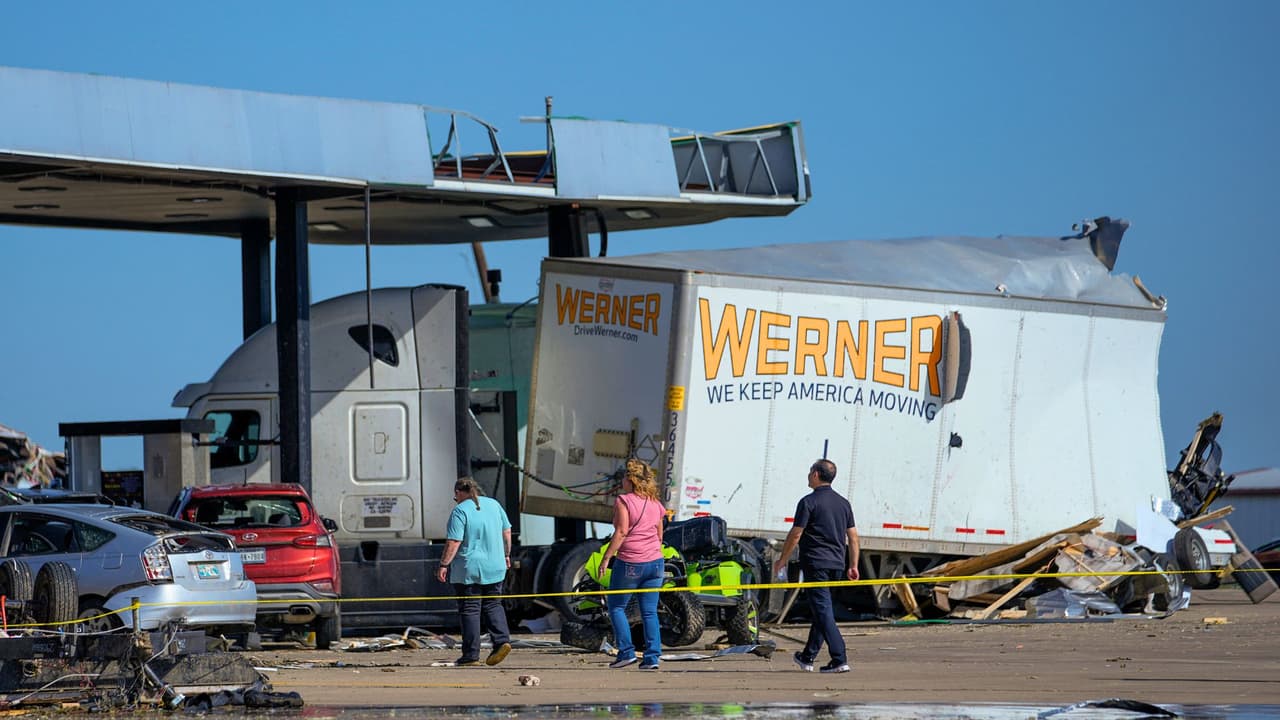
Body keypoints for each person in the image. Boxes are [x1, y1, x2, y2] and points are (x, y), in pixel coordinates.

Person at [771, 458, 859, 674]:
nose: (808, 475)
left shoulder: (808, 502)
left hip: (816, 563)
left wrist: (782, 560)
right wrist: (853, 564)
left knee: (823, 610)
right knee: (823, 610)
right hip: (837, 564)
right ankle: (807, 657)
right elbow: (854, 537)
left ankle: (839, 658)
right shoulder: (843, 503)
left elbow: (796, 534)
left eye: (810, 471)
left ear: (816, 475)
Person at [435, 477, 513, 667]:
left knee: (470, 609)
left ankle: (471, 655)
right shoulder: (494, 505)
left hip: (469, 569)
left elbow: (454, 542)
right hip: (495, 565)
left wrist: (444, 564)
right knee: (493, 605)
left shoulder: (460, 511)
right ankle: (502, 641)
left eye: (455, 497)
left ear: (459, 493)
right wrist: (506, 555)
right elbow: (507, 532)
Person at [599, 458, 666, 670]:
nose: (621, 483)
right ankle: (652, 657)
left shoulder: (624, 501)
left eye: (624, 479)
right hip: (656, 562)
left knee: (617, 607)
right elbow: (659, 534)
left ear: (631, 480)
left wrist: (607, 557)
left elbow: (621, 532)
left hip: (631, 561)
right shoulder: (656, 504)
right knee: (649, 612)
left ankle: (626, 653)